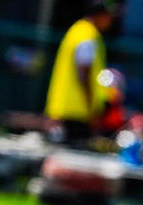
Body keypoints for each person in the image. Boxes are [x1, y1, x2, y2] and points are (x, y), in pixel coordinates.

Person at [44, 0, 115, 142]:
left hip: (64, 110)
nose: (110, 21)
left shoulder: (77, 30)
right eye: (108, 17)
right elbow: (84, 73)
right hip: (77, 114)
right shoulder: (88, 36)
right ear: (100, 15)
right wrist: (91, 108)